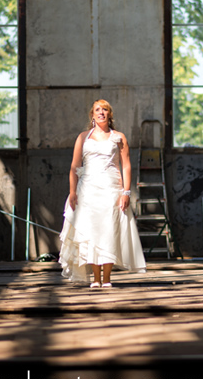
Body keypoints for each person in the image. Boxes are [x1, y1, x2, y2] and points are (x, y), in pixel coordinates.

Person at [59, 99, 146, 287]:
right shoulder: (83, 137)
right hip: (87, 190)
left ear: (109, 114)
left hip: (111, 189)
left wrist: (126, 192)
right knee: (90, 232)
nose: (101, 112)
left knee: (108, 231)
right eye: (97, 110)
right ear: (92, 114)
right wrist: (72, 192)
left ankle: (107, 278)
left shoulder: (119, 137)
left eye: (105, 109)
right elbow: (75, 166)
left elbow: (126, 165)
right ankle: (95, 279)